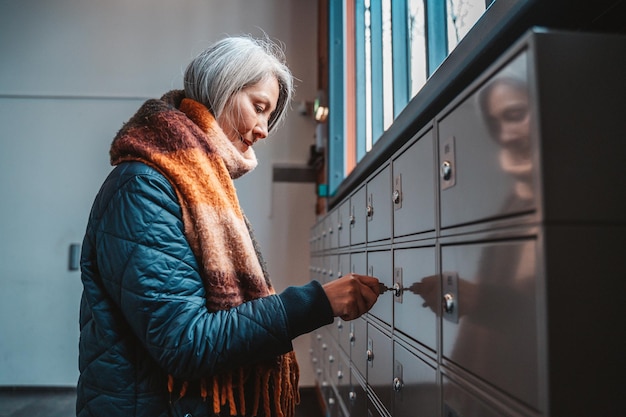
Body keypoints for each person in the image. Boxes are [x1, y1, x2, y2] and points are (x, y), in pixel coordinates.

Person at [77, 35, 380, 417]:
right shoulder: (143, 186)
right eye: (259, 107)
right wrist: (317, 303)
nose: (263, 130)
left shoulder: (188, 184)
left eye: (269, 116)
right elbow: (186, 342)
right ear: (222, 89)